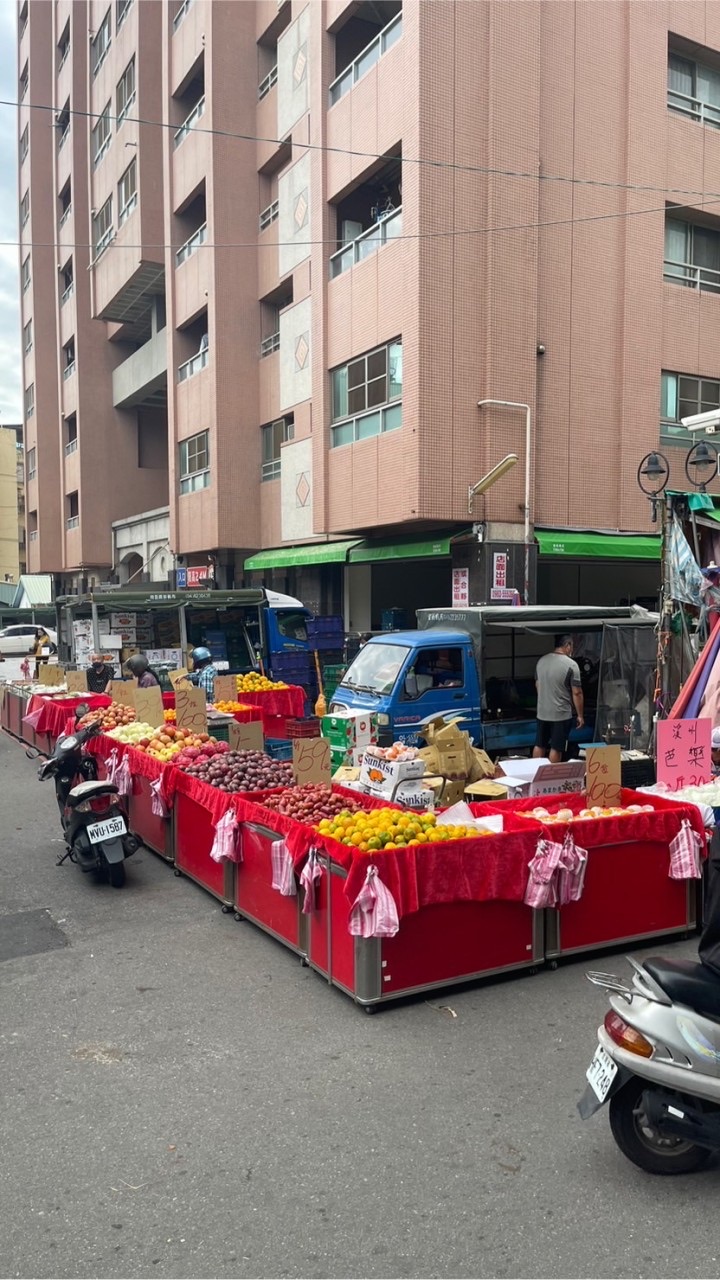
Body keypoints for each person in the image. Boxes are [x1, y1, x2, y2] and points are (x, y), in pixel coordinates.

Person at [533, 633, 584, 763]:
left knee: (540, 744)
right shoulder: (571, 665)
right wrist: (580, 715)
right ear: (567, 645)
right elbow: (577, 692)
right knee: (556, 747)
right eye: (572, 646)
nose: (572, 649)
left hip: (542, 713)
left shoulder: (541, 661)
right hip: (561, 715)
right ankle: (551, 777)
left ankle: (532, 773)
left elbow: (538, 685)